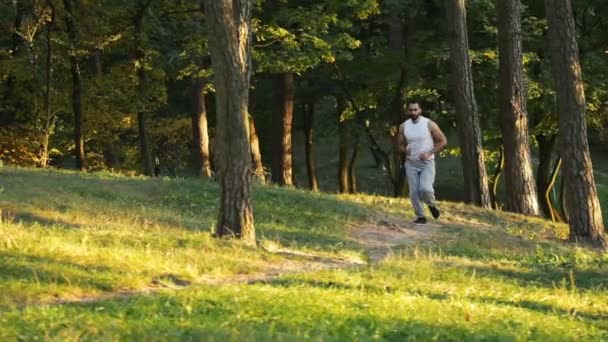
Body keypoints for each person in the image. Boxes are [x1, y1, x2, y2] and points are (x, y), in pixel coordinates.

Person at [397, 101, 448, 224]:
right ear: (407, 111)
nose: (413, 112)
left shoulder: (429, 124)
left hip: (426, 163)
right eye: (411, 110)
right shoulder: (404, 126)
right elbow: (399, 145)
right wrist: (405, 150)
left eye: (415, 110)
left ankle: (431, 205)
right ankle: (421, 217)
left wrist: (429, 153)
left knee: (425, 189)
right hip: (411, 164)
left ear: (420, 110)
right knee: (414, 192)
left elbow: (443, 141)